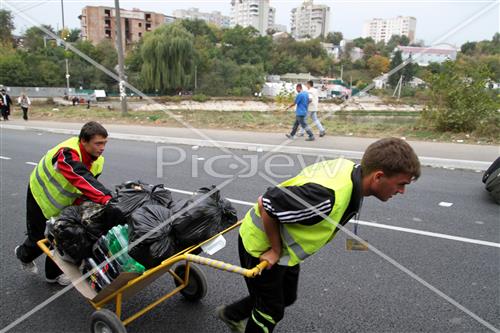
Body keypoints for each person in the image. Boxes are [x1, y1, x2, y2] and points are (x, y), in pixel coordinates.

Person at [216, 137, 421, 332]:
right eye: (401, 184)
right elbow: (266, 203)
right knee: (270, 310)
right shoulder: (327, 197)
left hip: (285, 249)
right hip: (261, 247)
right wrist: (275, 250)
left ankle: (232, 314)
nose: (401, 191)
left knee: (286, 296)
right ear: (378, 176)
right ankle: (238, 315)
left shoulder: (350, 170)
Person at [15, 121, 113, 285]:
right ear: (84, 141)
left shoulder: (98, 160)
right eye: (98, 143)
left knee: (61, 236)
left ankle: (53, 275)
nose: (102, 147)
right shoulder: (67, 153)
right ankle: (22, 255)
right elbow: (79, 176)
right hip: (41, 197)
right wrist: (106, 198)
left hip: (64, 203)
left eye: (105, 143)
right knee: (38, 238)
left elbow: (89, 186)